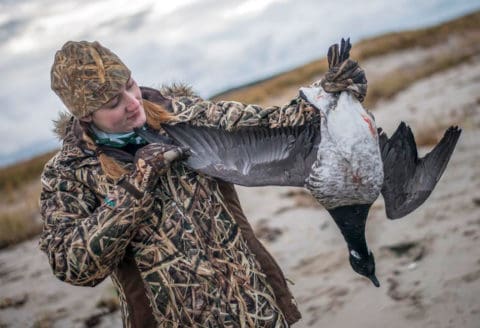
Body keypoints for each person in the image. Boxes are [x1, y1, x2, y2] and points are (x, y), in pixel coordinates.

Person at [40, 40, 366, 327]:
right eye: (113, 103)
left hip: (253, 310)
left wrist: (333, 97)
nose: (132, 102)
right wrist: (135, 187)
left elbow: (274, 124)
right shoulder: (69, 173)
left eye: (130, 84)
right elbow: (72, 265)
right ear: (85, 116)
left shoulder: (186, 116)